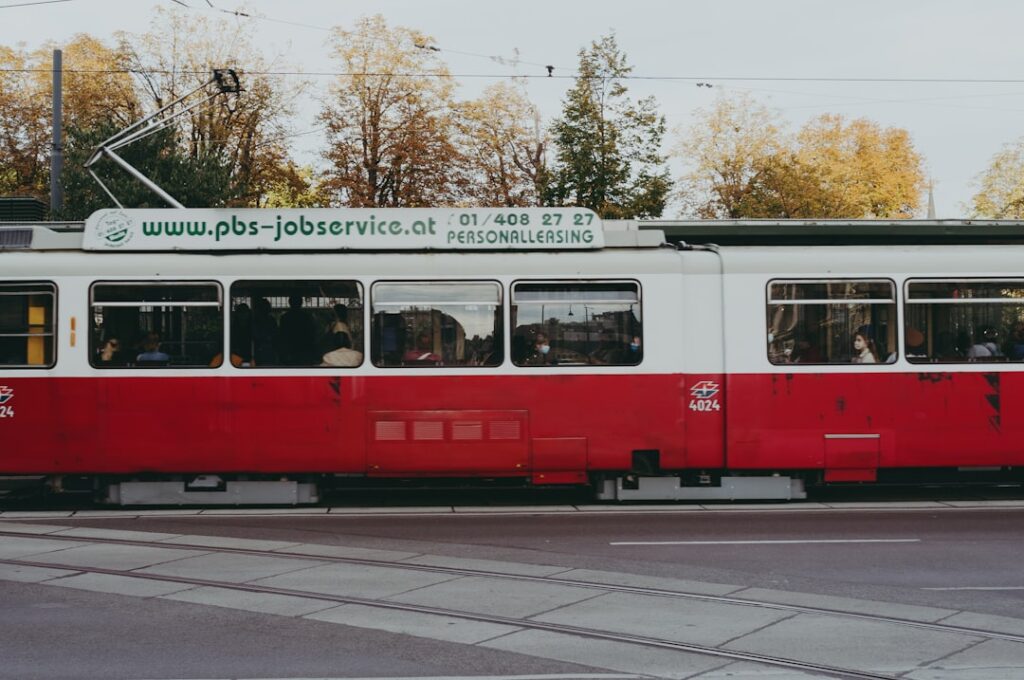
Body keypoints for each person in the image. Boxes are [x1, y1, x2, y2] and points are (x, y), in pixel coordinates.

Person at [278, 294, 317, 365]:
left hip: (289, 348)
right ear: (301, 303)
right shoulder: (306, 317)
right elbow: (311, 333)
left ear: (290, 303)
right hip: (304, 348)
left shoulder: (285, 317)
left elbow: (282, 334)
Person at [252, 297, 278, 366]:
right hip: (259, 349)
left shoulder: (271, 320)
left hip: (269, 349)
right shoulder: (254, 321)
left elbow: (276, 334)